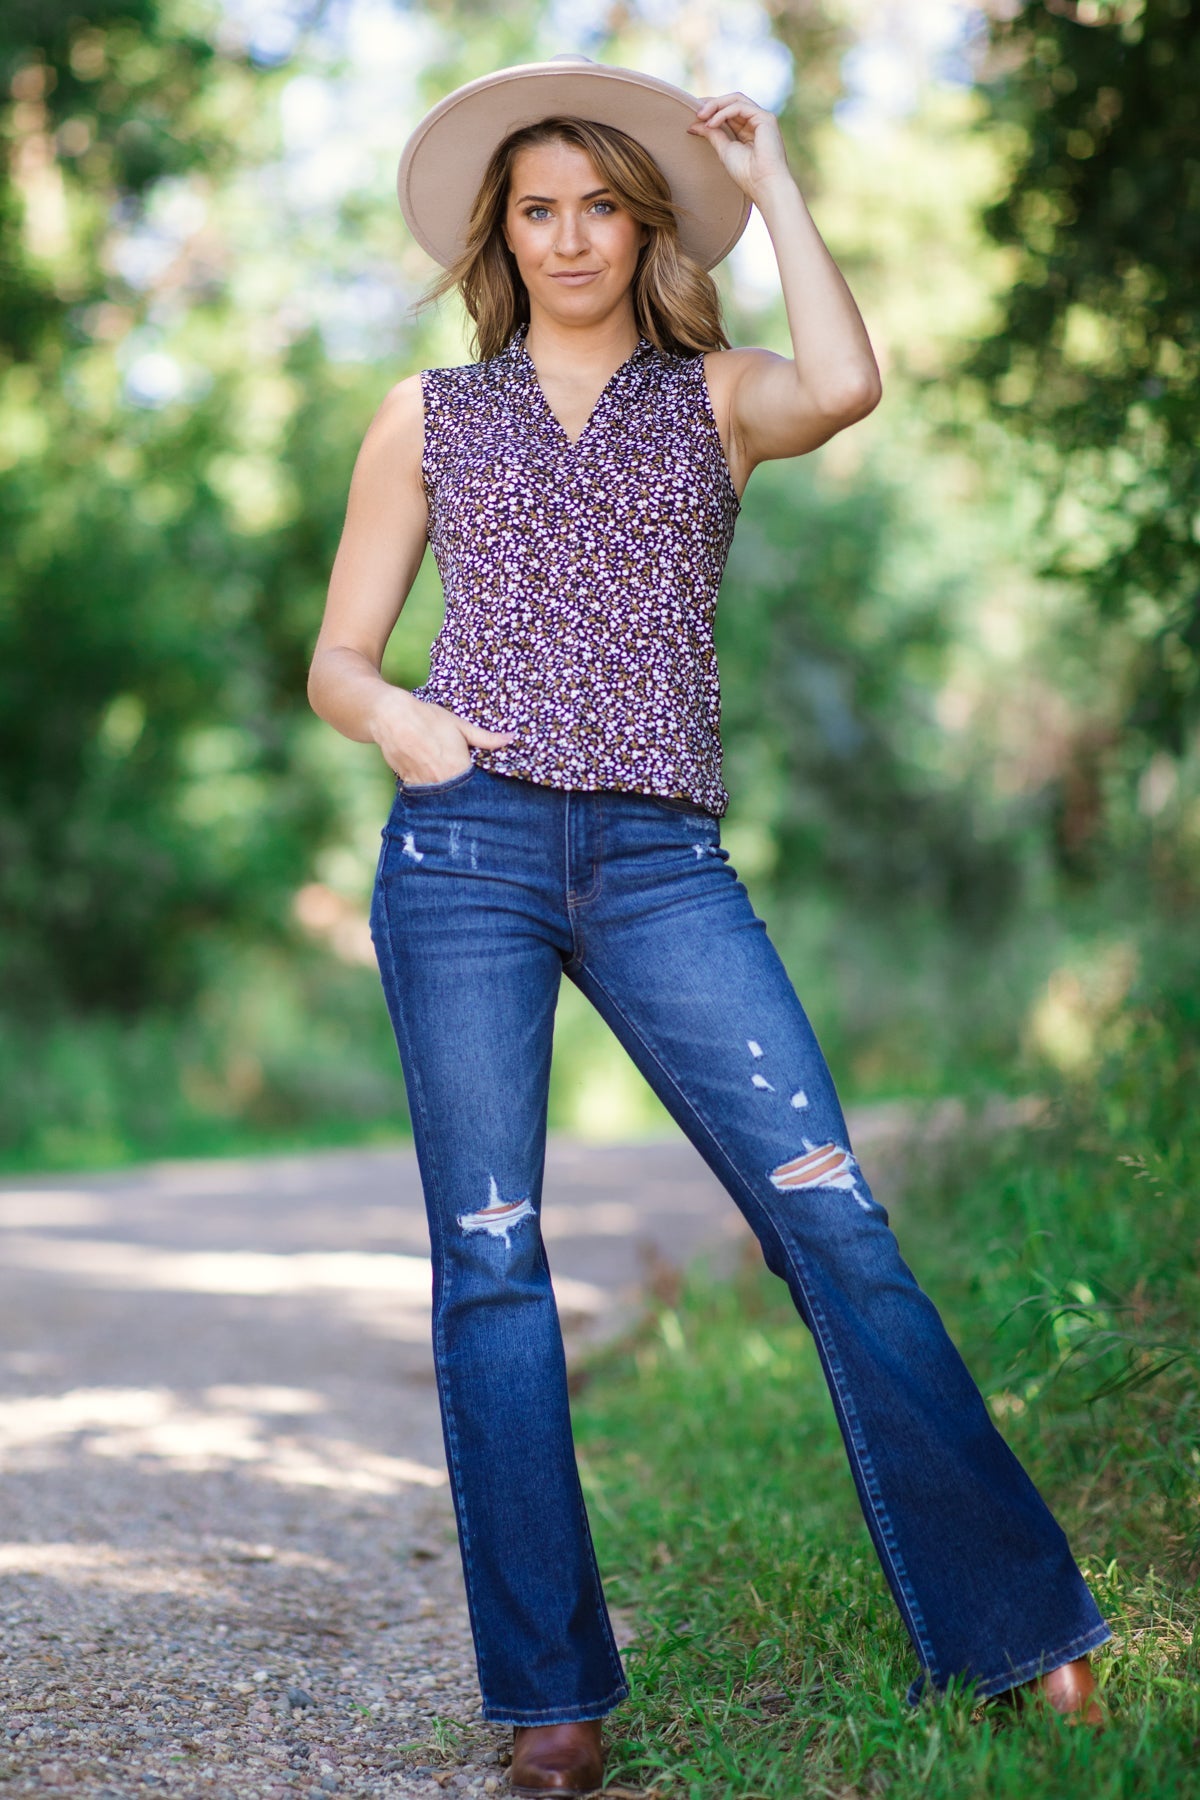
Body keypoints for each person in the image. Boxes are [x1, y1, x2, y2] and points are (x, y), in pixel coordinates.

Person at [308, 54, 1110, 1798]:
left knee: (837, 1221)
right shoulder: (426, 416)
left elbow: (850, 378)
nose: (573, 235)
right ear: (497, 239)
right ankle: (550, 1702)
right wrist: (398, 724)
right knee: (497, 1264)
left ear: (645, 222)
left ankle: (1022, 1633)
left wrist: (783, 174)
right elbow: (338, 656)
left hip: (667, 863)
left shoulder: (719, 398)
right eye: (539, 210)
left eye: (602, 204)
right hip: (468, 854)